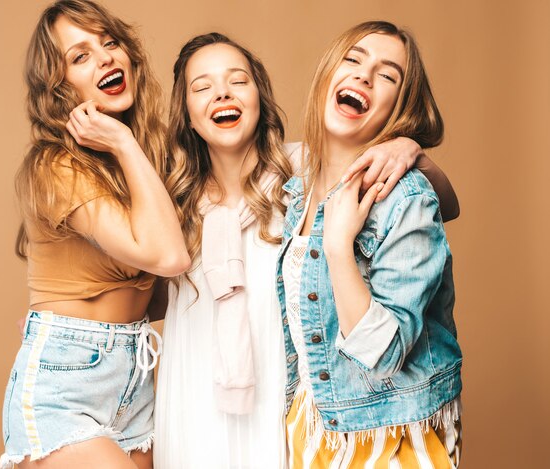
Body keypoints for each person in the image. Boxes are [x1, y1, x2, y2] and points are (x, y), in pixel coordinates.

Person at [154, 32, 458, 469]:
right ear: (185, 111)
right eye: (201, 87)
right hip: (197, 395)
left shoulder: (298, 172)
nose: (221, 92)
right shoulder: (173, 200)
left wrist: (405, 147)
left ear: (260, 96)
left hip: (295, 397)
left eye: (238, 80)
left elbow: (439, 203)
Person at [0, 1, 189, 468]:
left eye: (109, 43)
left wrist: (401, 141)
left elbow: (163, 296)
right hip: (64, 384)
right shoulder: (55, 166)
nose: (105, 58)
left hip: (135, 377)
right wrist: (124, 141)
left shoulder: (148, 158)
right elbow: (167, 257)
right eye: (80, 56)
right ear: (59, 87)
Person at [277, 21, 462, 467]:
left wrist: (340, 246)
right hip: (319, 425)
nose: (364, 75)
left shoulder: (405, 198)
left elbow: (384, 355)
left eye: (387, 75)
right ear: (327, 75)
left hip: (393, 433)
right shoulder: (296, 180)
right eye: (354, 60)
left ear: (399, 107)